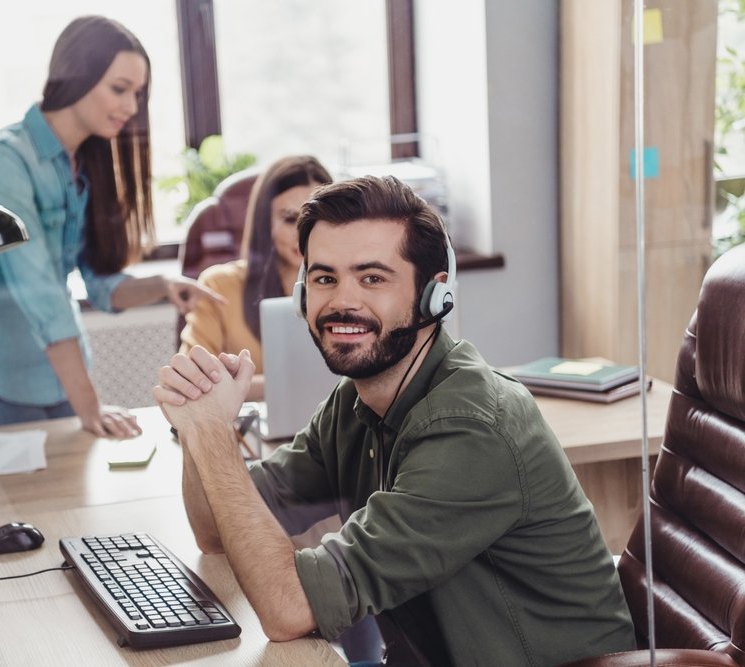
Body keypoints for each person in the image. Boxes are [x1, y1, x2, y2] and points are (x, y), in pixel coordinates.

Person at [153, 176, 636, 665]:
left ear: (434, 294)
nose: (342, 301)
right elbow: (214, 532)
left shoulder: (471, 428)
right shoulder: (356, 403)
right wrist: (198, 421)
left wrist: (215, 434)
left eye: (372, 278)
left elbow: (288, 607)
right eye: (324, 279)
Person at [0, 16, 221, 436]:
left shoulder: (86, 165)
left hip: (55, 377)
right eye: (119, 89)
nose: (131, 106)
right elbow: (41, 294)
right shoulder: (3, 162)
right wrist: (91, 406)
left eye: (138, 93)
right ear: (75, 77)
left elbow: (99, 283)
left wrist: (162, 285)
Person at [179, 156, 332, 401]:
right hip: (250, 432)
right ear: (265, 222)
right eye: (290, 219)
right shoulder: (219, 286)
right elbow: (192, 383)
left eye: (314, 219)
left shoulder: (347, 288)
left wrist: (242, 386)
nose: (302, 233)